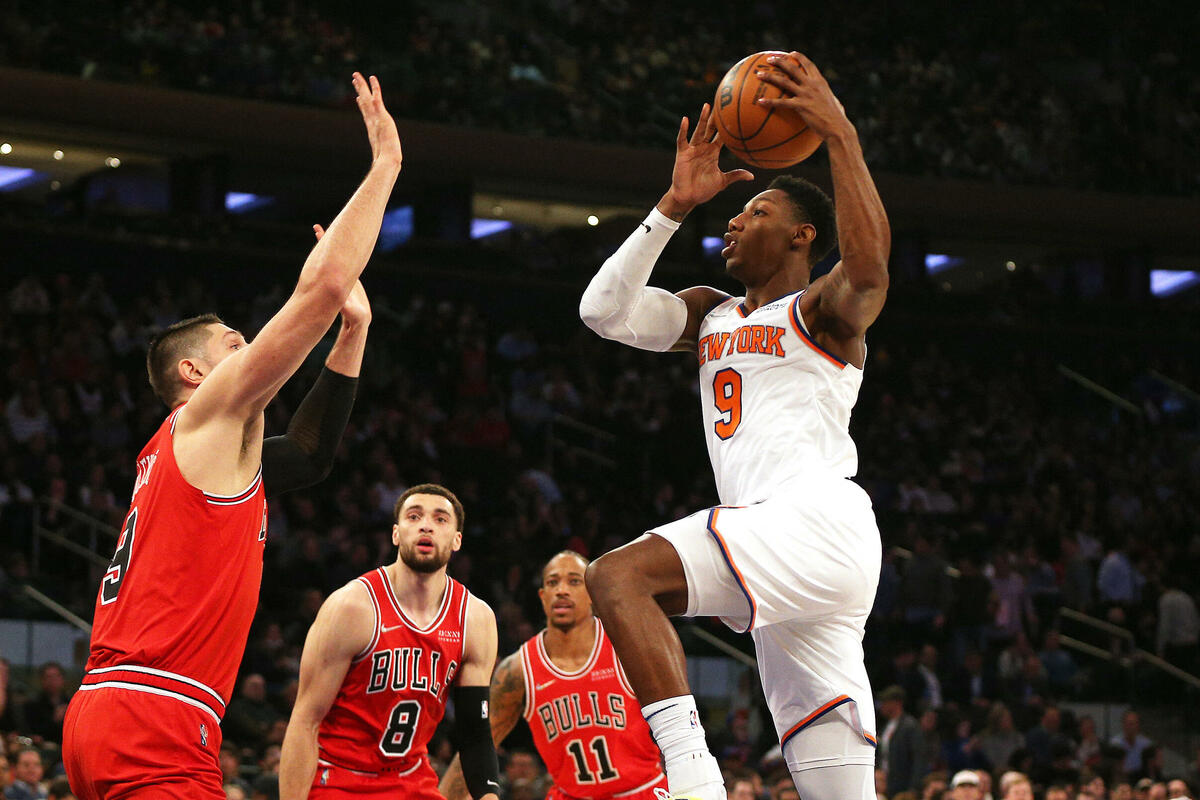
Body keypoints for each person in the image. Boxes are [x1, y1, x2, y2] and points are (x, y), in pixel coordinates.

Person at [62, 70, 400, 800]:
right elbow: (321, 287)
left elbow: (307, 456)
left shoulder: (196, 456)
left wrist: (355, 332)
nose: (250, 348)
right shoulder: (205, 415)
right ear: (193, 372)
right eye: (233, 342)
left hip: (113, 707)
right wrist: (386, 167)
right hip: (157, 712)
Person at [580, 52, 890, 800]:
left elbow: (869, 271)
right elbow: (602, 312)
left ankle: (690, 776)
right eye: (737, 211)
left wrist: (840, 134)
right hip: (791, 557)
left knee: (617, 576)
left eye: (757, 212)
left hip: (812, 518)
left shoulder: (821, 311)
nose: (735, 218)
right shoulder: (708, 314)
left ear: (802, 236)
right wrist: (672, 205)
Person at [279, 484, 500, 800]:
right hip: (340, 779)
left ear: (457, 540)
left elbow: (475, 733)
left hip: (411, 781)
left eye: (440, 519)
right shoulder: (352, 606)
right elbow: (305, 721)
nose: (426, 525)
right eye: (414, 516)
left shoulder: (475, 618)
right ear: (396, 534)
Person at [439, 551, 666, 800]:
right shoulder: (518, 670)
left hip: (642, 791)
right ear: (542, 596)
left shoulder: (628, 647)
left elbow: (677, 724)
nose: (561, 590)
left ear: (592, 593)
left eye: (574, 581)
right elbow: (477, 748)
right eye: (552, 582)